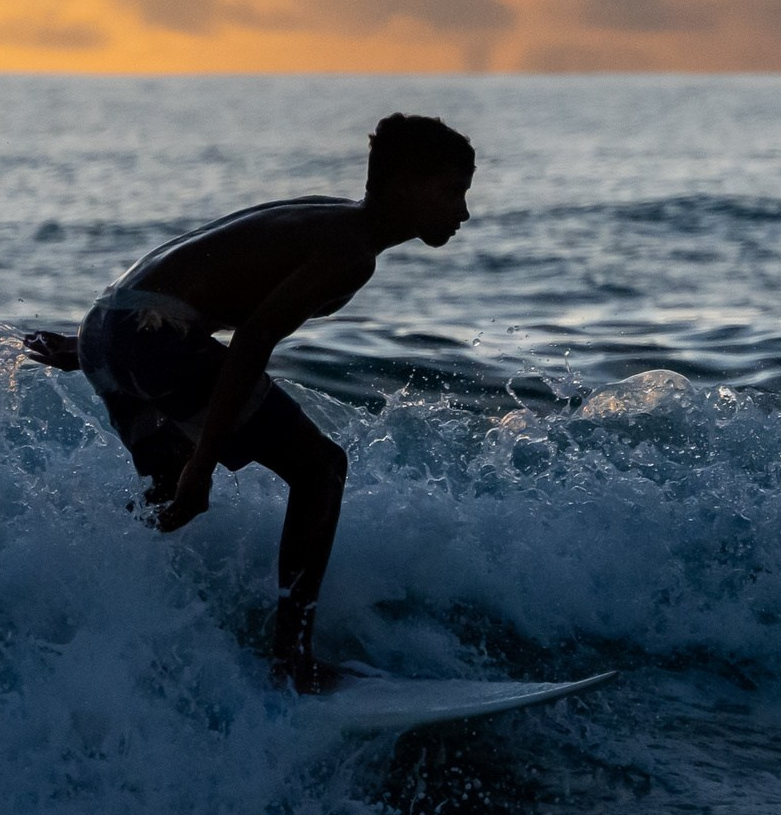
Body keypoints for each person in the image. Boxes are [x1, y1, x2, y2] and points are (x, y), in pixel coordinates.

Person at [23, 114, 475, 692]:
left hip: (106, 326)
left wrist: (97, 345)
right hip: (150, 337)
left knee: (163, 501)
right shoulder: (351, 250)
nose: (463, 212)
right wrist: (203, 465)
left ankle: (56, 590)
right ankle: (292, 662)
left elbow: (204, 271)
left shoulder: (325, 216)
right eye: (453, 191)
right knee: (320, 469)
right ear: (407, 184)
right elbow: (253, 341)